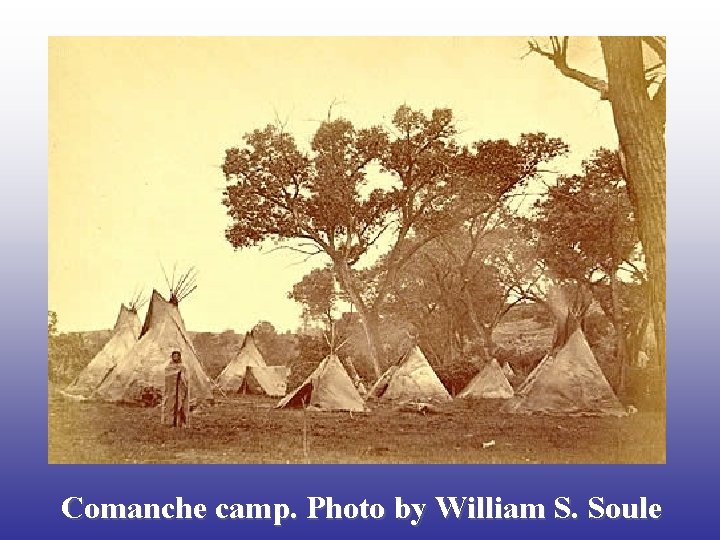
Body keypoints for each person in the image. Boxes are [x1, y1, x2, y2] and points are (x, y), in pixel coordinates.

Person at [162, 350, 189, 427]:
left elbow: (186, 378)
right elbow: (167, 377)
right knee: (170, 405)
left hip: (180, 390)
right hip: (171, 391)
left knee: (180, 405)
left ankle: (180, 422)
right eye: (174, 356)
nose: (175, 358)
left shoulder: (183, 367)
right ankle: (169, 422)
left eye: (177, 356)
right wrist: (175, 374)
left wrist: (181, 378)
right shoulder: (168, 367)